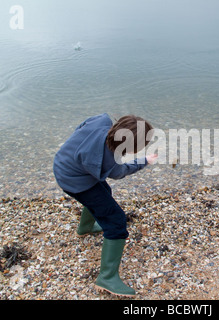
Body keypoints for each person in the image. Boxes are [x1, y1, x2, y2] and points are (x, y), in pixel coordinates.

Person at [53, 113, 157, 296]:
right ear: (132, 148)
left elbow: (80, 127)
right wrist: (144, 161)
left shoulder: (101, 120)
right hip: (76, 182)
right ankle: (107, 278)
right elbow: (121, 172)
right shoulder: (111, 160)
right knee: (116, 221)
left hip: (63, 164)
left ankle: (85, 227)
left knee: (103, 193)